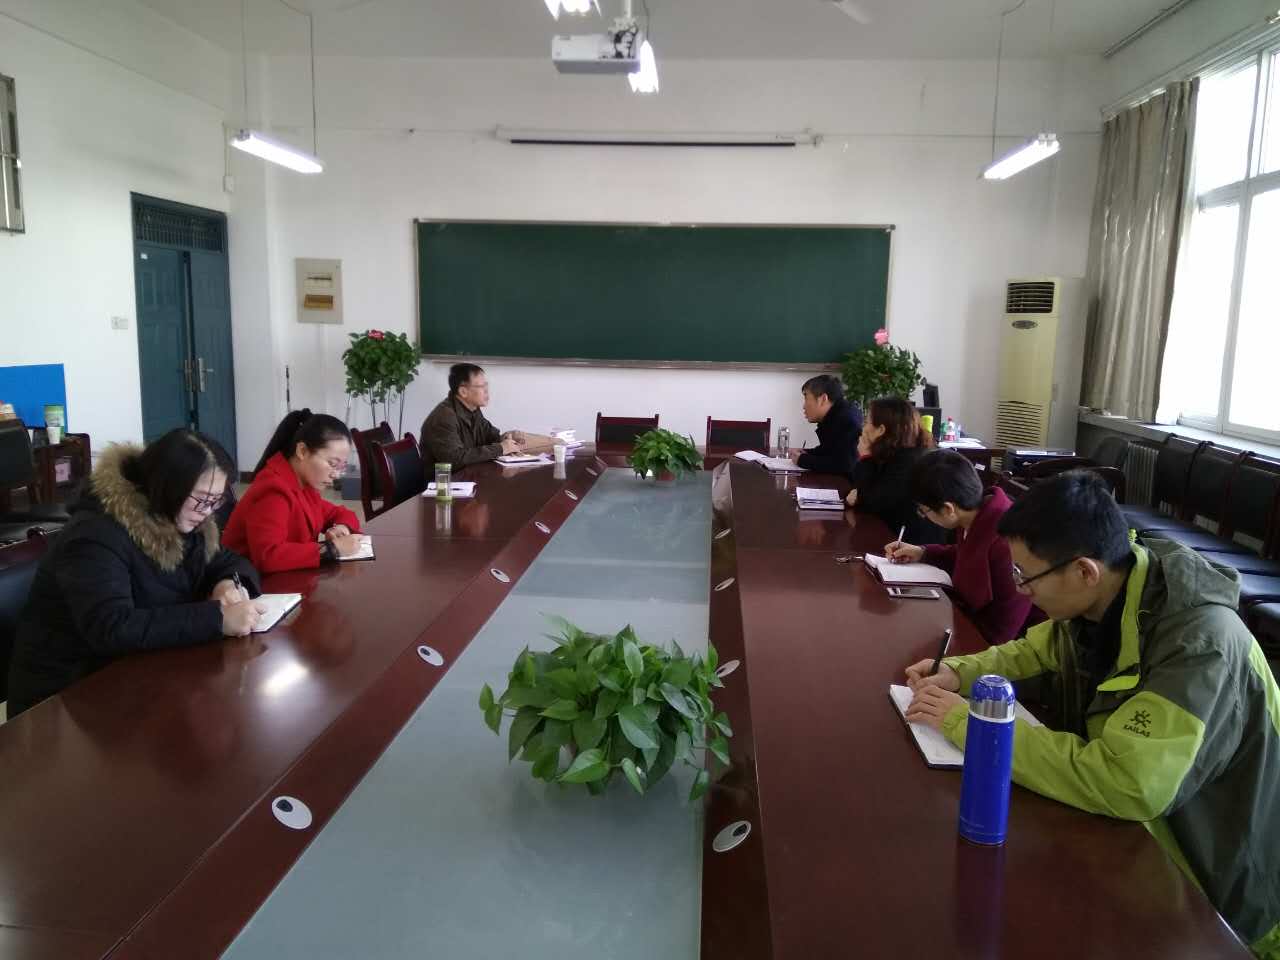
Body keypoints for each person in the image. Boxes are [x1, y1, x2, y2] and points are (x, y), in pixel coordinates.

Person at [903, 471, 1280, 958]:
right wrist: (958, 672)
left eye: (1025, 575)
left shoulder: (1200, 645)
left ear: (1084, 571)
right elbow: (1035, 651)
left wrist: (971, 724)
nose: (1020, 590)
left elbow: (1127, 781)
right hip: (1144, 845)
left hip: (1218, 890)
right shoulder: (1109, 592)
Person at [7, 430, 264, 717]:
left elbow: (227, 561)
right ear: (168, 486)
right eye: (203, 499)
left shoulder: (180, 516)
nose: (208, 512)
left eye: (216, 501)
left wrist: (226, 584)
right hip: (66, 698)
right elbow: (112, 627)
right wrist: (217, 619)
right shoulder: (95, 536)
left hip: (137, 672)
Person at [884, 450, 1035, 645]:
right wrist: (923, 552)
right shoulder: (975, 513)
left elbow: (1003, 630)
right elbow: (970, 554)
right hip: (963, 621)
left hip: (1002, 643)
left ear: (948, 509)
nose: (924, 516)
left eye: (924, 511)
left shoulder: (1008, 540)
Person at [223, 410, 364, 573]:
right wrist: (332, 549)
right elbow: (268, 556)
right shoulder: (273, 490)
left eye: (341, 467)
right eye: (332, 464)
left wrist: (342, 527)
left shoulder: (305, 484)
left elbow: (340, 513)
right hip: (247, 582)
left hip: (285, 577)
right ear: (302, 451)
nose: (336, 474)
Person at [845, 396, 941, 545]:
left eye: (867, 422)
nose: (863, 427)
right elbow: (865, 489)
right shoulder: (899, 452)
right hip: (895, 537)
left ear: (881, 430)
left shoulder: (907, 462)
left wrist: (865, 456)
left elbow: (871, 504)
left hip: (913, 546)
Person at [420, 363, 524, 469]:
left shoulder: (473, 409)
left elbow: (490, 436)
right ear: (463, 391)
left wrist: (505, 440)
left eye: (486, 385)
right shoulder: (444, 417)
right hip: (444, 478)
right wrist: (501, 448)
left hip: (468, 474)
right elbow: (455, 459)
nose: (486, 390)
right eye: (481, 386)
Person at [791, 374, 862, 474]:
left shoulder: (847, 420)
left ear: (823, 399)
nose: (804, 406)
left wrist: (802, 460)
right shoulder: (835, 415)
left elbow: (845, 465)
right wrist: (806, 453)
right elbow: (830, 451)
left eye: (806, 398)